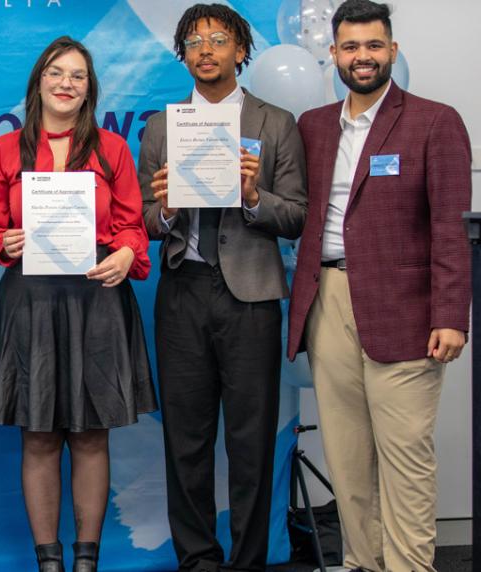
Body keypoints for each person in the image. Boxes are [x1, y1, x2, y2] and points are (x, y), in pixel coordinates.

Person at [287, 1, 471, 570]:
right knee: (346, 459)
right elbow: (300, 213)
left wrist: (451, 316)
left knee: (405, 460)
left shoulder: (434, 122)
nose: (361, 56)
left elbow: (450, 228)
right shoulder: (313, 127)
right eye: (350, 47)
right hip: (328, 304)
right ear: (333, 54)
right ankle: (362, 563)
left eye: (373, 45)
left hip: (407, 312)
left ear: (392, 50)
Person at [139, 4, 308, 570]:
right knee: (185, 440)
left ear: (241, 50)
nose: (205, 49)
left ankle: (249, 561)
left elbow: (297, 215)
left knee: (250, 441)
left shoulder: (275, 122)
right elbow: (144, 220)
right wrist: (165, 209)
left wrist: (254, 197)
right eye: (193, 41)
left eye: (217, 39)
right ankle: (198, 561)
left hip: (251, 296)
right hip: (182, 291)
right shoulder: (162, 127)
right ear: (182, 55)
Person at [0, 36, 154, 572]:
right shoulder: (6, 150)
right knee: (38, 435)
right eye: (56, 73)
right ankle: (49, 563)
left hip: (96, 298)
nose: (66, 83)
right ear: (38, 83)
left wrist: (126, 253)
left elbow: (132, 226)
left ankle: (85, 562)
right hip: (30, 302)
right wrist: (4, 241)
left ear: (89, 89)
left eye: (77, 76)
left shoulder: (112, 148)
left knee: (91, 433)